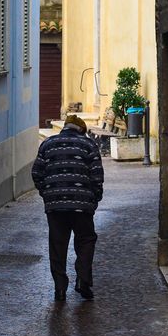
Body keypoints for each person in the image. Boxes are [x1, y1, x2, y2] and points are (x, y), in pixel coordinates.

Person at [31, 113, 104, 302]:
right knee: (86, 240)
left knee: (57, 245)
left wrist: (47, 194)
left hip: (55, 206)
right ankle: (83, 280)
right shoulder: (89, 145)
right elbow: (97, 176)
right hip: (82, 205)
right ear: (81, 129)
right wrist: (94, 199)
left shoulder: (47, 144)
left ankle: (60, 289)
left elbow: (37, 173)